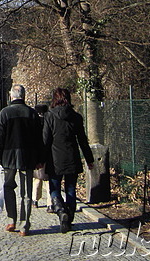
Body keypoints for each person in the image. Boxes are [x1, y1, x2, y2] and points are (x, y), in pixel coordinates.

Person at [0, 84, 43, 237]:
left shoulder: (5, 113)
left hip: (8, 157)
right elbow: (39, 139)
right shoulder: (32, 114)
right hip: (28, 157)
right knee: (26, 193)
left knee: (8, 187)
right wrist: (40, 159)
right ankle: (24, 224)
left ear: (11, 96)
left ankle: (11, 219)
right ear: (24, 96)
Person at [43, 87, 94, 233]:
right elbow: (82, 140)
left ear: (55, 99)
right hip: (72, 157)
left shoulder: (49, 116)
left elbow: (45, 140)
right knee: (71, 189)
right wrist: (89, 159)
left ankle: (60, 211)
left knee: (54, 188)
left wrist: (41, 159)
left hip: (54, 159)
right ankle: (69, 216)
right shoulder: (76, 117)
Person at [32, 104, 50, 208]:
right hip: (48, 152)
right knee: (48, 179)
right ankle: (50, 203)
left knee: (37, 179)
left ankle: (35, 200)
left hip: (37, 153)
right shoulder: (49, 120)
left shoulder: (34, 122)